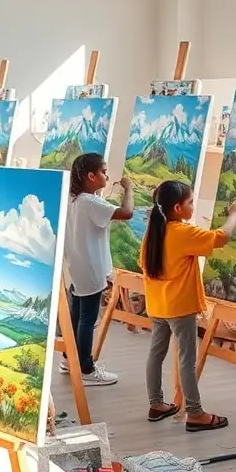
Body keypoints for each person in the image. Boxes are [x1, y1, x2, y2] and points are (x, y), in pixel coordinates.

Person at [141, 180, 236, 431]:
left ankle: (156, 404)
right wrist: (235, 214)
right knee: (187, 358)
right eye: (191, 202)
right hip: (180, 307)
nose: (193, 206)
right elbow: (222, 237)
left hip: (158, 305)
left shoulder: (154, 231)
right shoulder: (182, 232)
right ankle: (195, 413)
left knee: (156, 353)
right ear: (177, 207)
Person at [62, 153, 134, 386]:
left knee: (77, 315)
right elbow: (127, 213)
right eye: (103, 171)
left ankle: (69, 357)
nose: (107, 175)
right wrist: (129, 189)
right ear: (90, 176)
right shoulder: (90, 202)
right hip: (90, 267)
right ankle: (86, 368)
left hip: (77, 264)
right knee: (87, 319)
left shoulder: (74, 199)